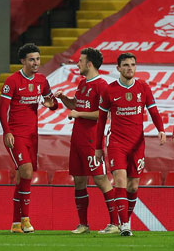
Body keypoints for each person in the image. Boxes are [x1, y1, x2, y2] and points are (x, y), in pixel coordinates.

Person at [95, 52, 166, 236]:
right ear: (118, 68)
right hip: (117, 143)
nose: (129, 68)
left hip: (137, 144)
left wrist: (161, 129)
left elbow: (154, 110)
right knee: (120, 180)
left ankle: (123, 221)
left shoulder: (143, 87)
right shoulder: (109, 90)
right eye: (125, 65)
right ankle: (125, 225)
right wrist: (98, 147)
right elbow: (101, 120)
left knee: (133, 186)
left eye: (132, 65)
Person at [55, 48, 119, 234]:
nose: (78, 64)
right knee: (79, 181)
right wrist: (64, 99)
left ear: (89, 64)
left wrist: (79, 114)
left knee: (101, 179)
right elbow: (75, 104)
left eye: (81, 61)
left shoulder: (102, 85)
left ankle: (115, 224)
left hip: (92, 139)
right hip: (77, 139)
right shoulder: (83, 83)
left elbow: (103, 115)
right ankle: (83, 224)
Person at [0, 43, 58, 233]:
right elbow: (2, 109)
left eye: (38, 59)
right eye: (32, 59)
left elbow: (52, 103)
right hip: (16, 135)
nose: (36, 63)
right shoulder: (12, 81)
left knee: (23, 177)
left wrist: (51, 104)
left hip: (33, 135)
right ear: (23, 61)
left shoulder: (42, 80)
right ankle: (25, 219)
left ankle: (17, 222)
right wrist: (7, 131)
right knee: (26, 171)